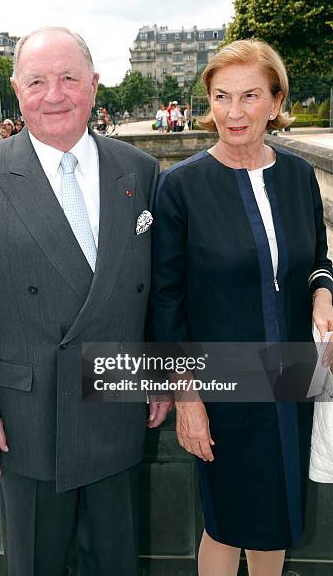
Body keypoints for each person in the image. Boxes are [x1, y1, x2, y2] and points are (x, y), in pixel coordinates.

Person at [0, 26, 171, 576]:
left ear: (94, 85)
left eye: (69, 78)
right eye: (38, 81)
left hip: (117, 406)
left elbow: (160, 289)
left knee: (117, 561)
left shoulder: (139, 170)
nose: (55, 94)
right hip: (26, 419)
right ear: (17, 90)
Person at [149, 39, 333, 576]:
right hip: (224, 386)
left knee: (277, 513)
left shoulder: (299, 176)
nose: (234, 112)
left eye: (250, 95)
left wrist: (322, 293)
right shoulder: (179, 186)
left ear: (276, 102)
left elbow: (319, 261)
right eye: (222, 96)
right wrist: (186, 398)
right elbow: (167, 301)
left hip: (293, 379)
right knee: (227, 521)